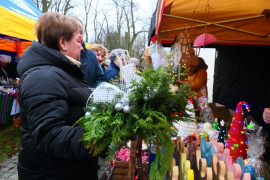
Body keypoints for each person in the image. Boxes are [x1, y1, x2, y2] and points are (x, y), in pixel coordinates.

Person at [17, 12, 98, 180]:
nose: (82, 48)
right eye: (79, 41)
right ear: (63, 42)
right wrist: (103, 134)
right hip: (52, 173)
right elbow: (52, 136)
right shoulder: (43, 76)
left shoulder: (60, 72)